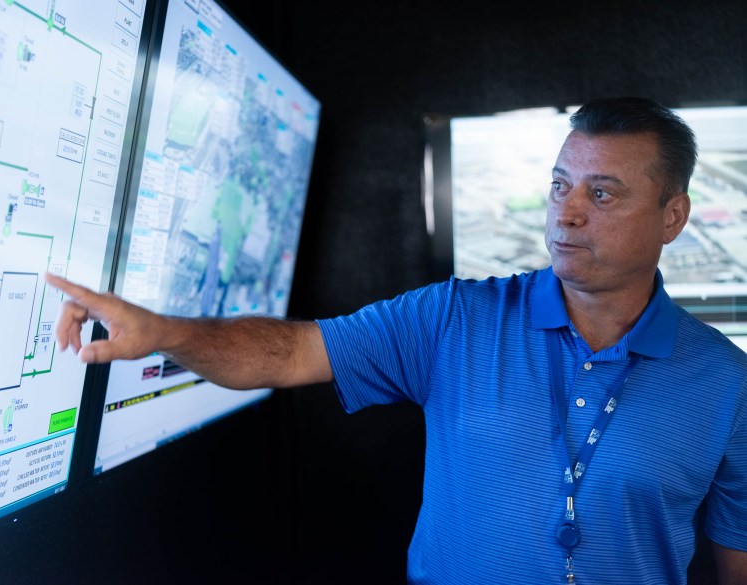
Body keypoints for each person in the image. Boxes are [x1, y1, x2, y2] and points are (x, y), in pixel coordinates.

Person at [47, 97, 747, 584]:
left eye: (601, 194)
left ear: (673, 215)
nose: (564, 211)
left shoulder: (726, 381)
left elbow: (734, 559)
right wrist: (163, 332)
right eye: (560, 183)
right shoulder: (453, 318)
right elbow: (290, 352)